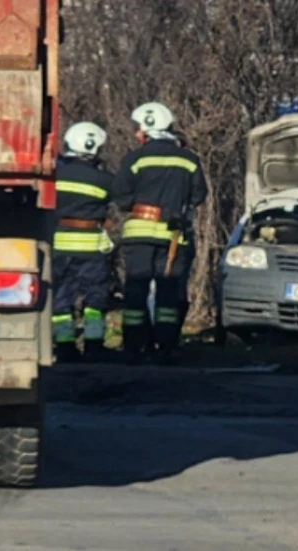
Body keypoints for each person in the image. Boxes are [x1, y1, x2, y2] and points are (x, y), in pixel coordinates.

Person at [111, 102, 208, 364]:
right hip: (172, 236)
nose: (136, 134)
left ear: (147, 131)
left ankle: (134, 344)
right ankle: (165, 344)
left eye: (138, 129)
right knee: (168, 291)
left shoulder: (134, 159)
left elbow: (120, 198)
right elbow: (199, 194)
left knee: (136, 289)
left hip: (139, 236)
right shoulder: (188, 160)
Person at [51, 122, 116, 363]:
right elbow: (121, 201)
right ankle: (94, 345)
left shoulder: (54, 174)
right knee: (95, 299)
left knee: (60, 298)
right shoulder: (105, 180)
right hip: (91, 250)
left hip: (59, 246)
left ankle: (65, 345)